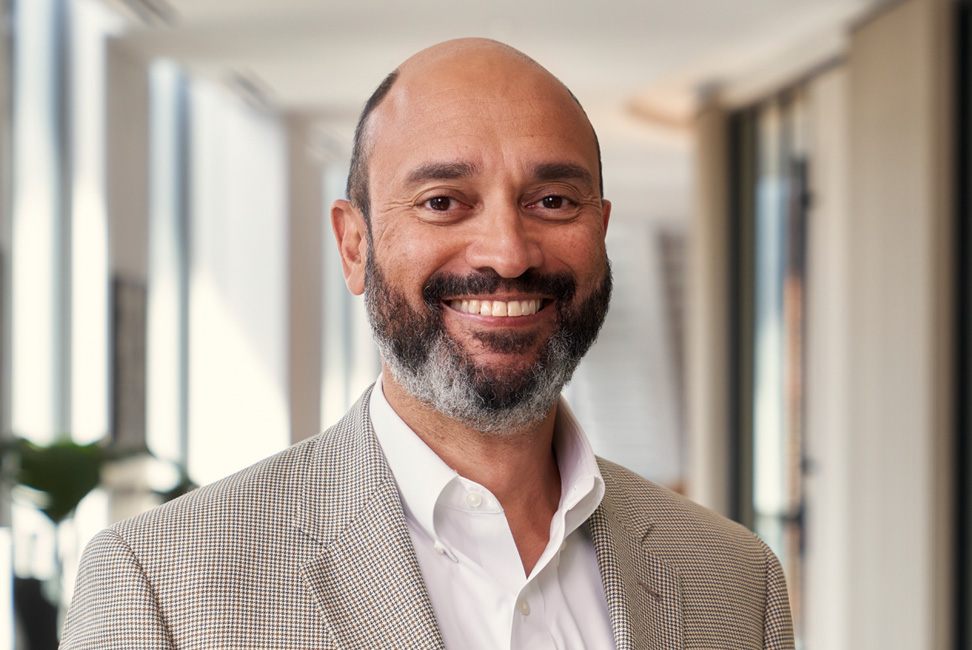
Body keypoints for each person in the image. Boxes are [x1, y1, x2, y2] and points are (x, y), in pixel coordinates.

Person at [60, 38, 794, 650]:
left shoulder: (736, 580)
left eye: (553, 202)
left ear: (599, 234)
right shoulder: (160, 585)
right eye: (443, 202)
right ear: (354, 245)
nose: (508, 253)